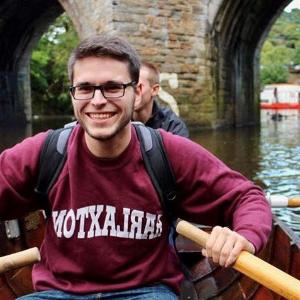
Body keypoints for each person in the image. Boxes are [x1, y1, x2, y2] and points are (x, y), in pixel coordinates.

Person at [0, 34, 272, 299]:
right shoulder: (45, 151)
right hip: (58, 292)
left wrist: (244, 236)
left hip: (145, 290)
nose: (97, 100)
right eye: (84, 88)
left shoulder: (168, 152)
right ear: (72, 93)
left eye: (112, 87)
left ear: (136, 91)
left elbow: (247, 197)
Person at [133, 61, 189, 137]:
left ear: (154, 90)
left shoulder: (172, 125)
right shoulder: (120, 120)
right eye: (130, 85)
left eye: (138, 87)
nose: (132, 92)